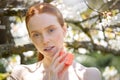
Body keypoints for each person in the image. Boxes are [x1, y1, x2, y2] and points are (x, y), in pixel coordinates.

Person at [8, 2, 102, 80]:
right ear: (31, 38)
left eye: (51, 30)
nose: (45, 40)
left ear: (64, 30)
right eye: (36, 34)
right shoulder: (20, 74)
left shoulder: (89, 75)